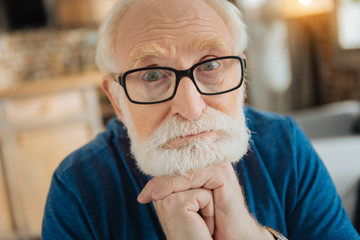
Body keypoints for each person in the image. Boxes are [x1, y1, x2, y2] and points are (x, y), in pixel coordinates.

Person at [42, 0, 360, 239]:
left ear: (242, 74)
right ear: (117, 100)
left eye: (210, 66)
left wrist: (252, 236)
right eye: (152, 74)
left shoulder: (284, 143)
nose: (191, 108)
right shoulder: (77, 186)